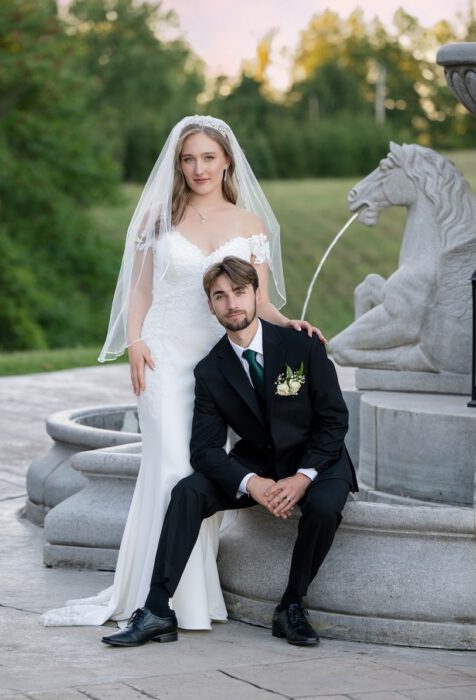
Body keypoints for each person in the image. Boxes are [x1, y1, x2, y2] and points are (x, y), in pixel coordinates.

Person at [41, 115, 324, 629]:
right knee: (172, 467)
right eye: (188, 158)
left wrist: (290, 324)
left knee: (203, 471)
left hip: (222, 371)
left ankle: (195, 597)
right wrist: (135, 340)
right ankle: (159, 602)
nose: (198, 168)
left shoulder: (248, 225)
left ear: (226, 161)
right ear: (178, 163)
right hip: (165, 358)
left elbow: (256, 302)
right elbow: (141, 289)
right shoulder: (158, 216)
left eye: (208, 157)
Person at [102, 256, 358, 647]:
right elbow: (203, 449)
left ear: (257, 294)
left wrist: (301, 478)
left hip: (318, 458)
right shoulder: (210, 370)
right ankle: (156, 609)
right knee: (188, 491)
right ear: (211, 306)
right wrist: (251, 483)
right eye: (220, 297)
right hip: (258, 460)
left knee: (324, 506)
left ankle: (291, 606)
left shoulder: (301, 345)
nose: (231, 303)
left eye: (239, 292)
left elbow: (334, 421)